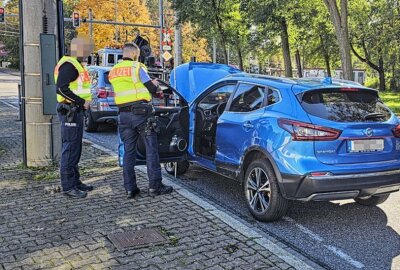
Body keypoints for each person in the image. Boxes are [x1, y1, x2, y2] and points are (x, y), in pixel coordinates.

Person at [109, 43, 173, 199]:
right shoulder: (137, 67)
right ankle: (155, 186)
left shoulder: (113, 71)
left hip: (123, 116)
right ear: (134, 54)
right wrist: (157, 87)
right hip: (141, 114)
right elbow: (150, 88)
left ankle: (130, 189)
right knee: (151, 150)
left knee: (129, 153)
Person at [54, 36, 94, 198]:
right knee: (70, 149)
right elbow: (61, 89)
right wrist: (81, 101)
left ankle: (76, 182)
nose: (87, 53)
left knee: (75, 148)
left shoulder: (75, 64)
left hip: (75, 111)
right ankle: (68, 187)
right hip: (70, 110)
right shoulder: (69, 65)